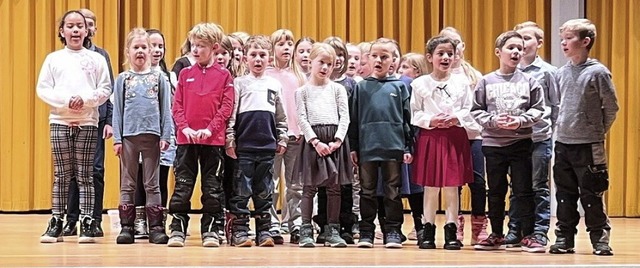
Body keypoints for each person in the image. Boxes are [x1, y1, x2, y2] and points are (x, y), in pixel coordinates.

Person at [37, 10, 111, 243]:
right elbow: (43, 89)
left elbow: (105, 88)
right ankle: (57, 221)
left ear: (87, 30)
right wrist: (66, 101)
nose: (76, 30)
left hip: (88, 122)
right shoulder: (53, 59)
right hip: (60, 121)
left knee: (85, 174)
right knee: (62, 174)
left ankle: (87, 221)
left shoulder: (97, 59)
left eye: (80, 26)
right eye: (70, 26)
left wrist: (85, 100)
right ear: (62, 31)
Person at [549, 19, 618, 256]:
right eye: (562, 39)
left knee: (592, 193)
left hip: (589, 145)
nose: (564, 43)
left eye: (569, 38)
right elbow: (558, 107)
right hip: (563, 144)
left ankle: (600, 239)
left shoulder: (598, 72)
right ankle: (564, 239)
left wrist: (595, 131)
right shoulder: (561, 73)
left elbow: (611, 108)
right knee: (565, 195)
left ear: (585, 41)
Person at [471, 31, 544, 251]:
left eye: (520, 48)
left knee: (523, 190)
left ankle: (528, 234)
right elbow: (476, 110)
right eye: (511, 47)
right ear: (498, 52)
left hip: (520, 143)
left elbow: (539, 108)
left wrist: (520, 121)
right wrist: (494, 121)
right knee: (495, 190)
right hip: (493, 145)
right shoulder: (486, 81)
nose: (516, 52)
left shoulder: (530, 81)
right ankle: (496, 233)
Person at [167, 22, 234, 248]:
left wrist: (210, 129)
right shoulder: (185, 74)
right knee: (183, 186)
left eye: (201, 46)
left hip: (212, 141)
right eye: (193, 45)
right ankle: (177, 228)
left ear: (214, 48)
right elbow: (177, 106)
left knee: (212, 187)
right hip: (186, 140)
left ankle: (211, 230)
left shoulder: (224, 76)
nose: (195, 50)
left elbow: (226, 107)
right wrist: (184, 128)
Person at [410, 35, 474, 250]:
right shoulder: (420, 84)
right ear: (430, 57)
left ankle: (451, 230)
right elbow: (415, 112)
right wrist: (431, 120)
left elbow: (468, 108)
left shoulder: (462, 83)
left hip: (454, 136)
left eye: (450, 53)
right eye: (440, 53)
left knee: (451, 186)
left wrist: (457, 118)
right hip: (431, 136)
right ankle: (427, 230)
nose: (446, 57)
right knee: (430, 185)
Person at [349, 38, 413, 249]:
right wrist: (354, 147)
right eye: (374, 56)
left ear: (393, 60)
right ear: (368, 59)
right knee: (367, 190)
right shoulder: (361, 87)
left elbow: (406, 120)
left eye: (384, 57)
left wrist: (407, 147)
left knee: (393, 190)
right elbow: (355, 120)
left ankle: (393, 230)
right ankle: (366, 230)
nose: (378, 60)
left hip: (393, 146)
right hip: (368, 147)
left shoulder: (400, 87)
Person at [225, 35, 288, 247]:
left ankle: (264, 231)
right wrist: (230, 139)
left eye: (262, 55)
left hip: (267, 148)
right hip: (244, 148)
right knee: (241, 190)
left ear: (269, 58)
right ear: (245, 59)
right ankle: (241, 231)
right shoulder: (239, 83)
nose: (258, 59)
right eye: (253, 55)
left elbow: (281, 115)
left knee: (265, 191)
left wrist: (283, 137)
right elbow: (232, 114)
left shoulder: (274, 84)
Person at [112, 27, 172, 245]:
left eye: (144, 47)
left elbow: (166, 110)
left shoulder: (159, 79)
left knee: (152, 183)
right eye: (135, 47)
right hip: (128, 137)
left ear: (150, 51)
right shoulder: (123, 79)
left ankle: (156, 227)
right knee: (127, 183)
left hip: (153, 138)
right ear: (128, 52)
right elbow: (117, 111)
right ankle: (127, 227)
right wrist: (117, 139)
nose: (140, 51)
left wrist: (166, 136)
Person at [63, 8, 114, 238]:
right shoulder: (63, 56)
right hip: (70, 119)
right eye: (84, 22)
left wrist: (110, 120)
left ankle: (94, 219)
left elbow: (109, 89)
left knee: (95, 171)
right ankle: (70, 219)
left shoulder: (101, 55)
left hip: (96, 120)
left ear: (92, 28)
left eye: (90, 23)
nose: (87, 27)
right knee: (72, 171)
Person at [508, 21, 560, 253]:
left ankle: (539, 232)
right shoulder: (510, 70)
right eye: (519, 38)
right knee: (517, 185)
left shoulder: (548, 72)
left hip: (539, 137)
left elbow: (556, 106)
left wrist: (546, 128)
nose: (522, 43)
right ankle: (517, 229)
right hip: (514, 139)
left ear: (539, 43)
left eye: (527, 38)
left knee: (539, 185)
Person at [294, 42, 352, 248]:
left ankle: (332, 230)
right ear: (311, 62)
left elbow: (345, 116)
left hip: (335, 140)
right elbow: (302, 118)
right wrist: (315, 141)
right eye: (322, 62)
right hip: (314, 142)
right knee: (309, 188)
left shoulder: (337, 89)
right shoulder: (302, 91)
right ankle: (306, 229)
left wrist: (337, 140)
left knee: (334, 188)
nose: (325, 67)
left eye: (330, 64)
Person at [439, 26, 487, 246]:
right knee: (453, 183)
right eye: (446, 41)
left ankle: (479, 227)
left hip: (473, 135)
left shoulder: (474, 75)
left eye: (456, 42)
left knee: (477, 181)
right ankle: (454, 225)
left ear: (462, 46)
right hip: (450, 136)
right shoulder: (438, 75)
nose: (452, 46)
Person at [131, 28, 175, 240]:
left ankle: (158, 221)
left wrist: (167, 134)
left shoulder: (169, 77)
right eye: (152, 45)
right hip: (139, 134)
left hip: (162, 136)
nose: (156, 50)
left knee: (160, 179)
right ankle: (139, 221)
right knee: (139, 178)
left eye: (160, 46)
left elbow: (171, 108)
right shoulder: (130, 77)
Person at [265, 29, 302, 244]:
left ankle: (295, 223)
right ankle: (271, 224)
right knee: (272, 183)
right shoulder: (268, 75)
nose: (286, 48)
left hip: (296, 137)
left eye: (289, 44)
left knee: (295, 184)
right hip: (273, 138)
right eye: (281, 44)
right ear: (273, 49)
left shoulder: (299, 76)